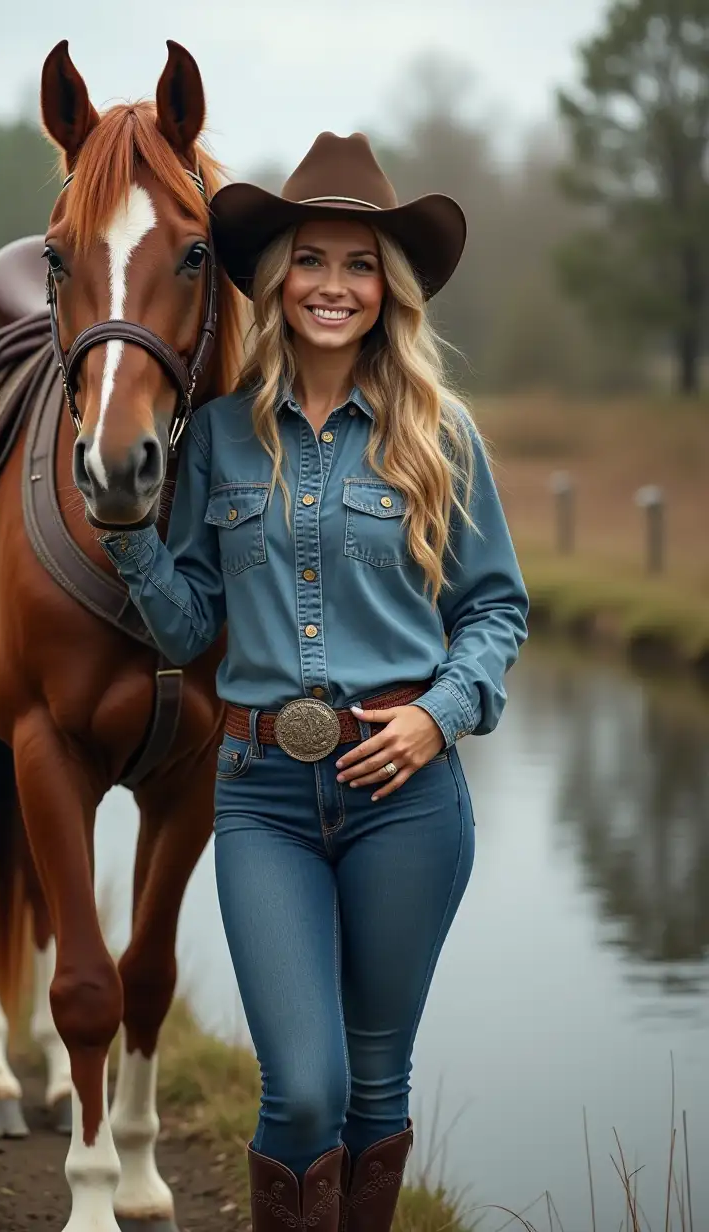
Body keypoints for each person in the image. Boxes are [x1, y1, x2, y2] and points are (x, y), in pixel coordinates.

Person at [99, 131, 529, 1231]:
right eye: (312, 260)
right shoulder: (216, 439)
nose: (333, 285)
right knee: (303, 1084)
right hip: (259, 794)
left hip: (407, 798)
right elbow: (191, 621)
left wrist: (440, 715)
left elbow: (494, 608)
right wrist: (132, 536)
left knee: (377, 1084)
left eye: (359, 264)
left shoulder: (442, 434)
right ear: (275, 277)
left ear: (390, 289)